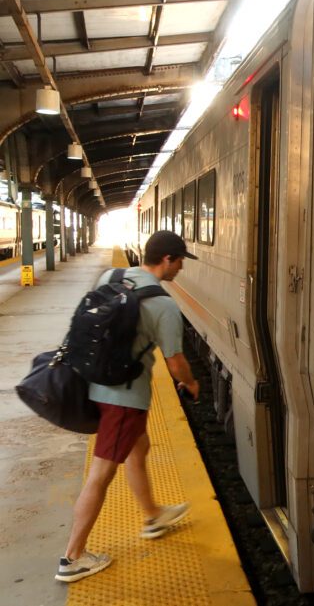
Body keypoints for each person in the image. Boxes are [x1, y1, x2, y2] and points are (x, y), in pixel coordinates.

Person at [55, 230, 202, 583]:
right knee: (101, 474)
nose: (181, 267)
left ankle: (152, 515)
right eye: (180, 260)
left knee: (140, 447)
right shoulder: (164, 305)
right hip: (123, 399)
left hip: (94, 382)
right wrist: (192, 383)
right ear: (166, 260)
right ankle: (72, 557)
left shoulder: (112, 277)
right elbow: (175, 361)